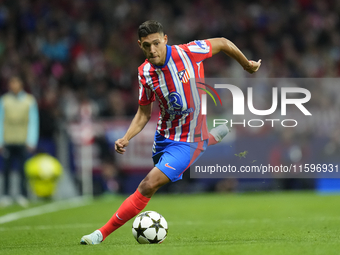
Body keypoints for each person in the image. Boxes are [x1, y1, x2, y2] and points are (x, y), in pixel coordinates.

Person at [80, 20, 261, 245]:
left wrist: (246, 65)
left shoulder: (189, 52)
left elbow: (223, 43)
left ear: (165, 39)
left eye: (156, 43)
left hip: (188, 141)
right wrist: (126, 137)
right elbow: (143, 113)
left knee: (147, 184)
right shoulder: (144, 73)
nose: (152, 50)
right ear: (140, 45)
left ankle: (100, 235)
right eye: (147, 45)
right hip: (164, 136)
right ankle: (211, 137)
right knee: (155, 179)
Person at [0, 76, 39, 207]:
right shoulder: (4, 101)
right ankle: (5, 195)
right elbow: (0, 120)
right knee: (6, 169)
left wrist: (31, 140)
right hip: (8, 140)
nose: (14, 85)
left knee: (23, 170)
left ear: (21, 85)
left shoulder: (29, 101)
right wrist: (0, 141)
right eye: (11, 83)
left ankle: (23, 195)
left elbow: (33, 121)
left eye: (16, 83)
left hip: (23, 140)